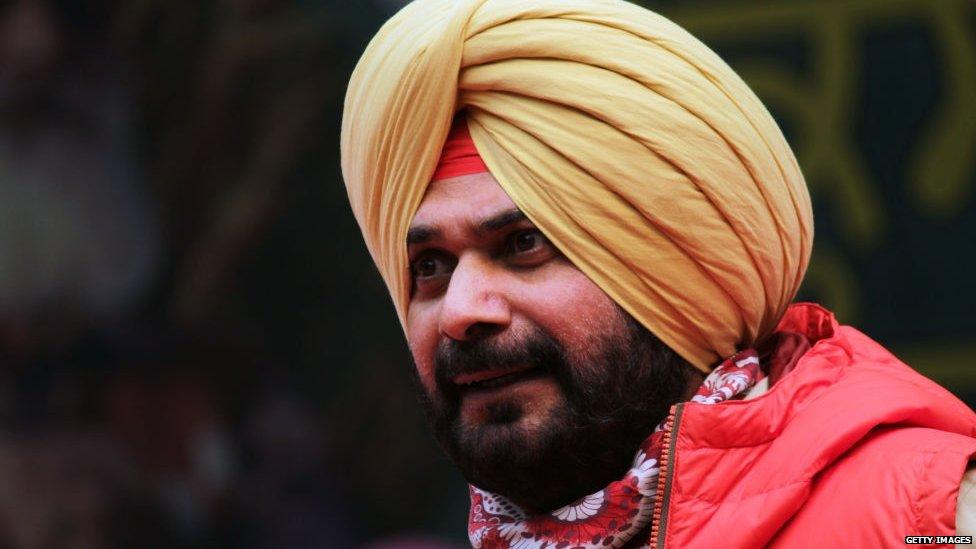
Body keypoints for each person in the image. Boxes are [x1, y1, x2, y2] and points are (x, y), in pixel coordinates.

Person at [339, 0, 976, 546]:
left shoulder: (934, 516)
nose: (460, 309)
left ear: (669, 272)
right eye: (428, 266)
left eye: (523, 244)